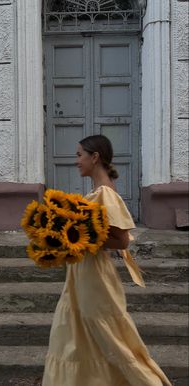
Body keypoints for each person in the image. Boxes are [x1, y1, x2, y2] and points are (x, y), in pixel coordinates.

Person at [42, 134, 172, 386]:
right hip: (82, 274)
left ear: (95, 157)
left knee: (106, 335)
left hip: (95, 278)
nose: (76, 161)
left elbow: (121, 240)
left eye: (79, 155)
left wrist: (74, 239)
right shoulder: (97, 193)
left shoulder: (105, 194)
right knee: (75, 336)